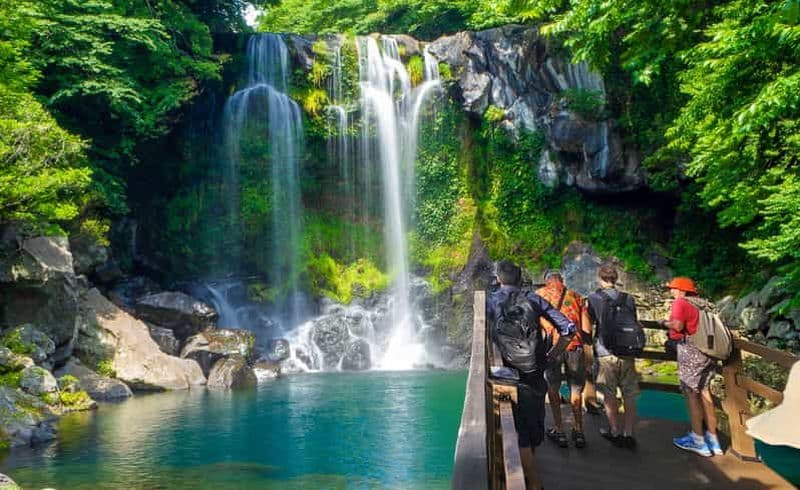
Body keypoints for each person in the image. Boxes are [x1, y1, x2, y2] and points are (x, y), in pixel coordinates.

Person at [487, 260, 576, 489]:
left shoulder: (491, 301)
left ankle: (532, 482)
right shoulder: (533, 298)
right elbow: (568, 328)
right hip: (535, 370)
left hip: (507, 373)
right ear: (520, 279)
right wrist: (553, 355)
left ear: (498, 279)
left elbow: (487, 335)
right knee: (532, 429)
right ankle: (531, 476)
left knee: (518, 431)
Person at [662, 276, 722, 457]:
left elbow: (678, 325)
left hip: (691, 352)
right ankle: (714, 440)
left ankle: (698, 441)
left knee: (691, 394)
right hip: (707, 352)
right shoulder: (702, 304)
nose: (671, 292)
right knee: (705, 392)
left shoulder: (681, 303)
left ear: (681, 290)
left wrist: (664, 323)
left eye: (673, 288)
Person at [587, 264, 641, 449]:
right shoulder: (628, 298)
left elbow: (589, 324)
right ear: (616, 279)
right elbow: (635, 322)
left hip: (605, 352)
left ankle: (615, 430)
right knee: (629, 394)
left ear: (600, 278)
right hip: (628, 351)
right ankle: (628, 432)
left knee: (608, 394)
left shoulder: (594, 298)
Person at [536, 270, 592, 448]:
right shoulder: (577, 297)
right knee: (576, 389)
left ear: (546, 282)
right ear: (562, 280)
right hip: (574, 347)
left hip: (552, 348)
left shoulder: (540, 295)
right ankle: (578, 430)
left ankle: (559, 430)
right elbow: (587, 330)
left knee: (553, 387)